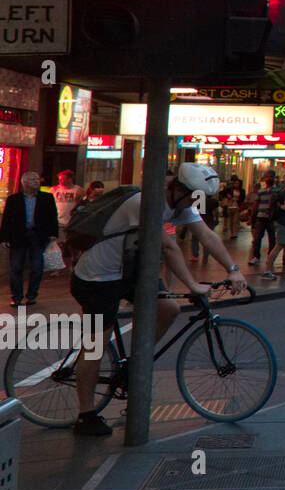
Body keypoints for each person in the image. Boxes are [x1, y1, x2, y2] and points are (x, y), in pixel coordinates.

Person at [70, 163, 247, 436]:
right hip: (98, 278)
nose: (194, 202)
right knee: (95, 346)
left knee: (168, 308)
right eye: (192, 196)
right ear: (176, 188)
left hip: (132, 272)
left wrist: (233, 270)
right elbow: (169, 246)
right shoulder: (144, 203)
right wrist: (192, 284)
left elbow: (206, 235)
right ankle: (85, 414)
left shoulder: (181, 202)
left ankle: (134, 365)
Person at [2, 171, 59, 307]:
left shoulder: (47, 198)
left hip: (38, 236)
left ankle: (32, 295)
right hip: (18, 236)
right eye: (33, 179)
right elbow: (7, 220)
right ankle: (16, 297)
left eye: (37, 179)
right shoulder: (14, 199)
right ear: (25, 183)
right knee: (16, 267)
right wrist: (4, 238)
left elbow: (53, 216)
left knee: (37, 267)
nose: (36, 182)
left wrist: (53, 233)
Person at [248, 173, 277, 265]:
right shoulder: (261, 191)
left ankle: (270, 256)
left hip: (272, 218)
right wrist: (252, 218)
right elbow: (255, 205)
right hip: (261, 217)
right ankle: (256, 256)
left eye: (271, 177)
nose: (269, 178)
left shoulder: (277, 191)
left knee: (272, 238)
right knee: (257, 238)